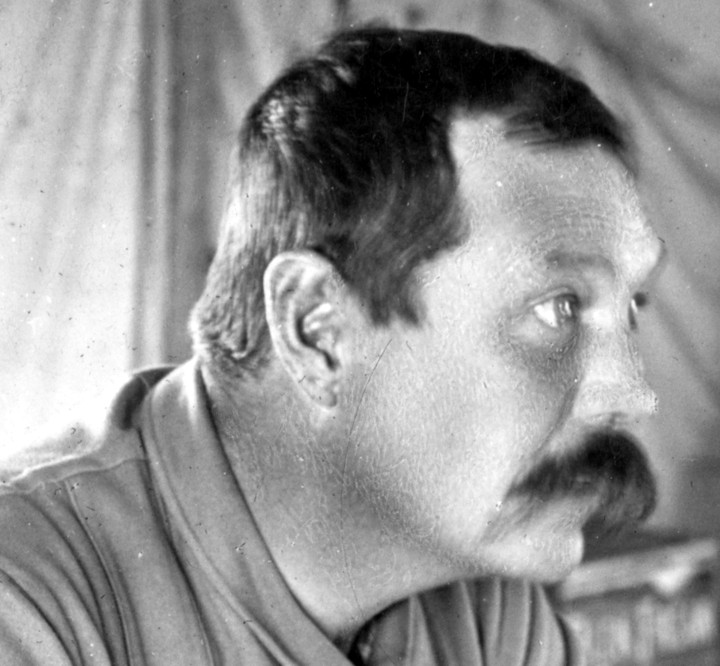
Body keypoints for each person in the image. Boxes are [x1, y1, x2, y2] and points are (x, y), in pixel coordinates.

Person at [0, 26, 664, 665]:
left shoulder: (487, 603)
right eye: (558, 307)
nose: (635, 395)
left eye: (633, 306)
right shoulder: (26, 602)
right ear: (315, 330)